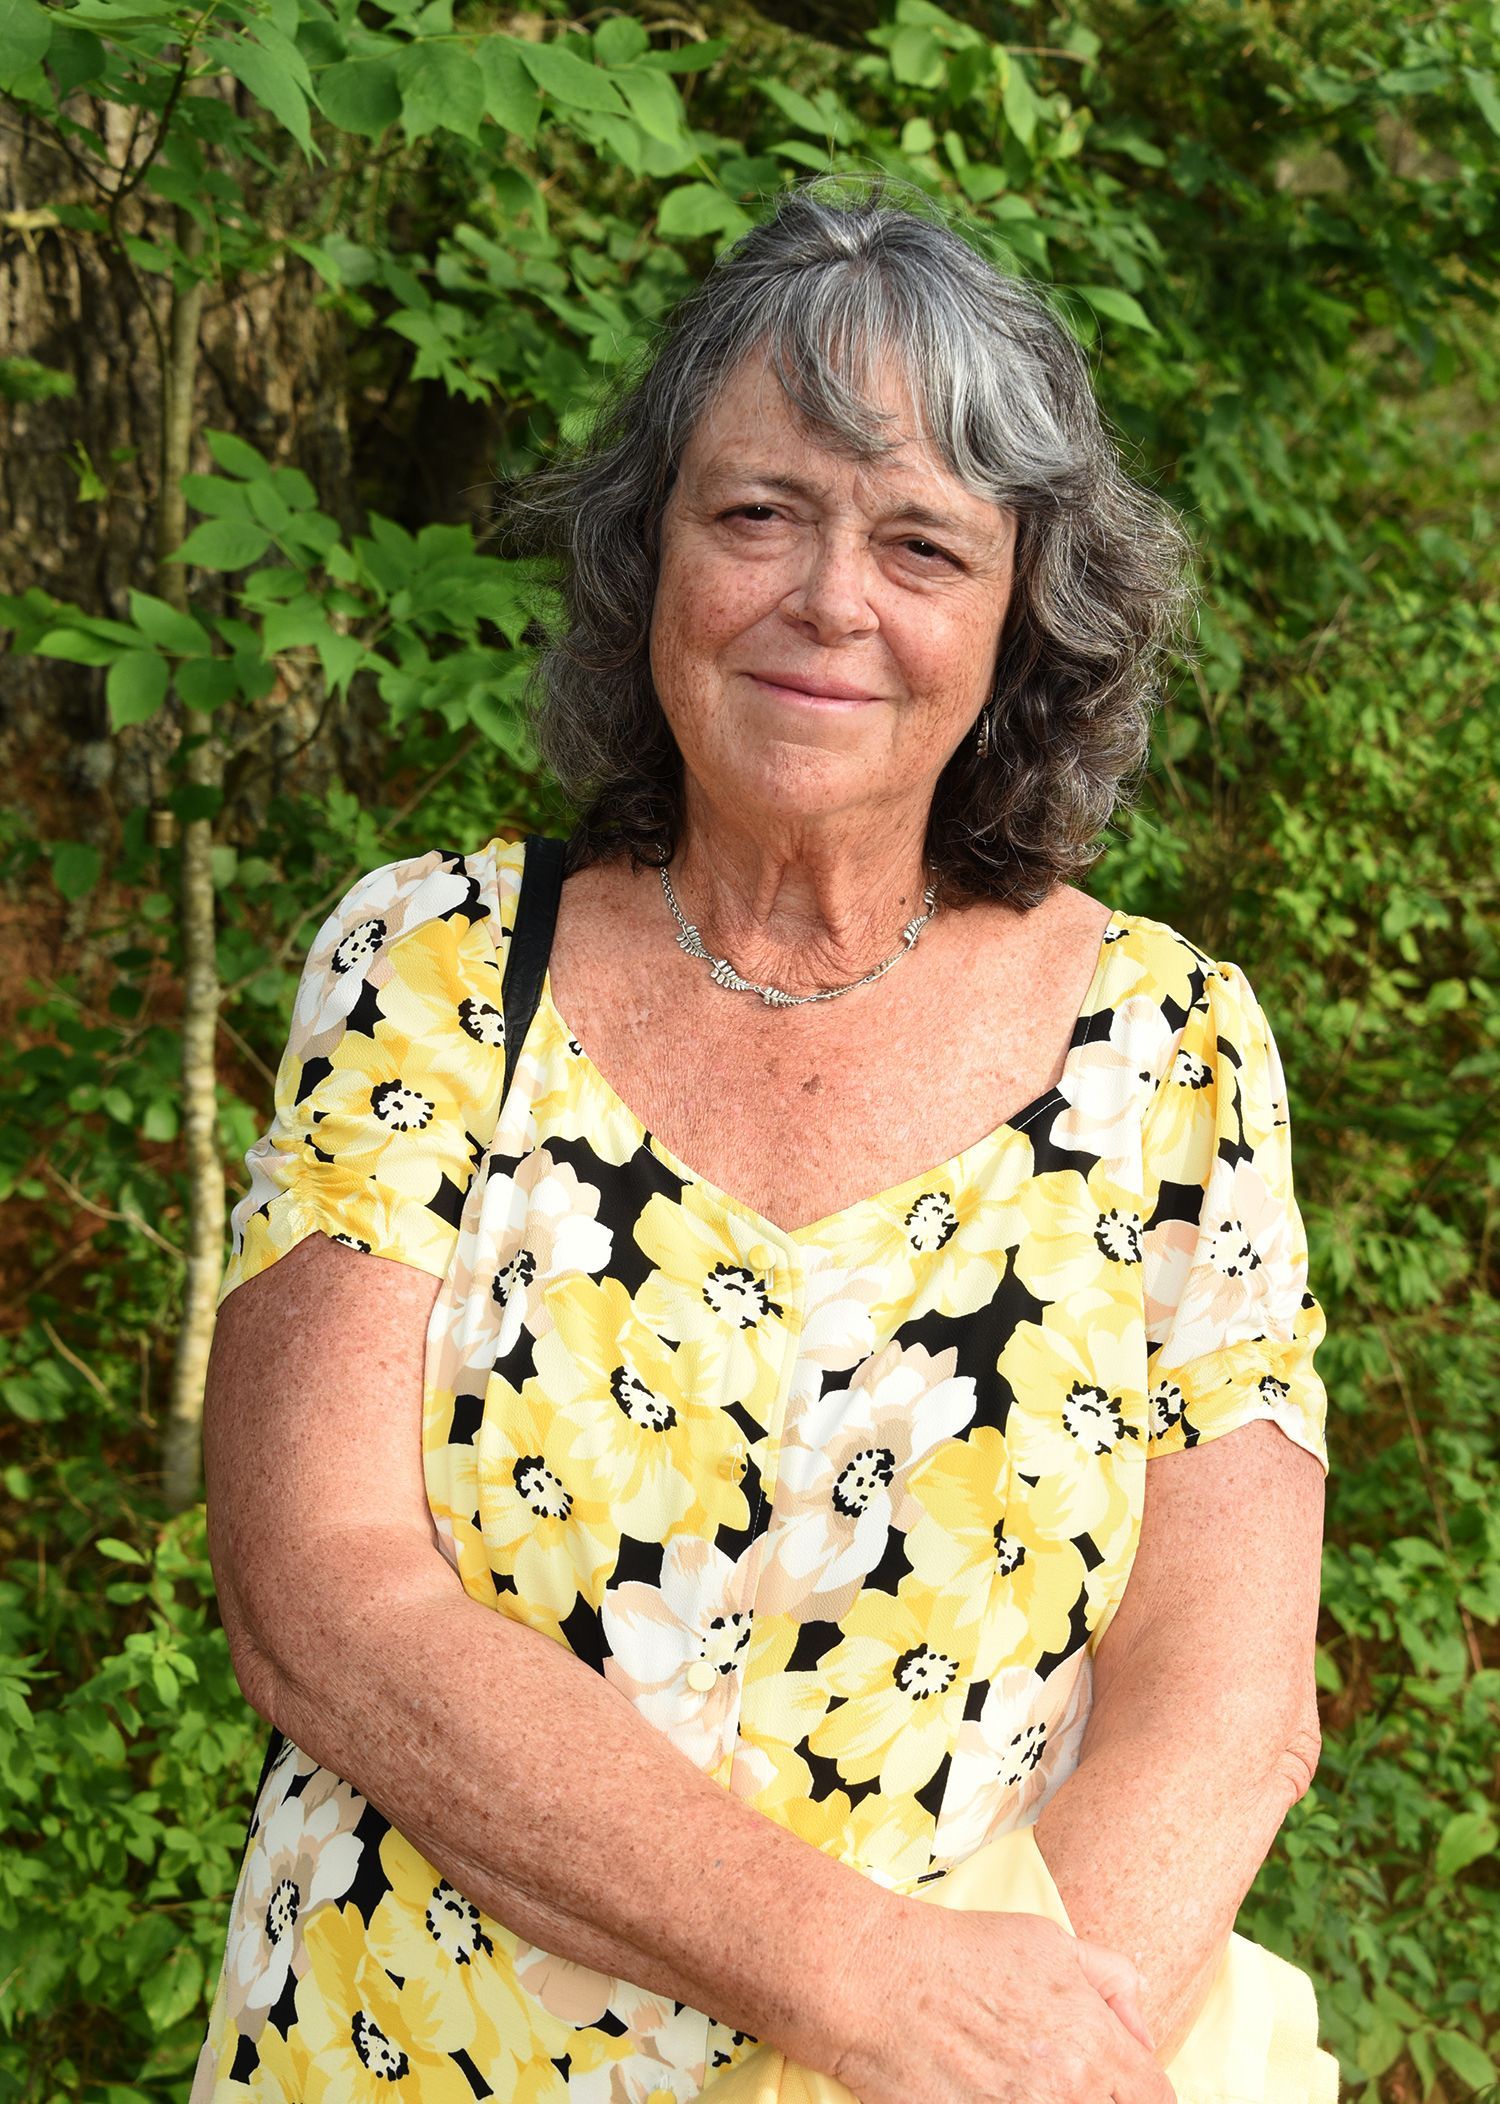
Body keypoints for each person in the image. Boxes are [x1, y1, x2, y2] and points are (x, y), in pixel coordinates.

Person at [192, 184, 1333, 2104]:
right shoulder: (439, 969)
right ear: (652, 558)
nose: (832, 601)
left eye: (922, 543)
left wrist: (1023, 2056)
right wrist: (849, 1976)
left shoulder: (1173, 1049)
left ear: (1019, 622)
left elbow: (1226, 1701)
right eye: (760, 514)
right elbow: (323, 1589)